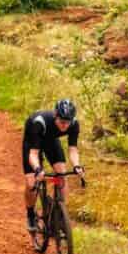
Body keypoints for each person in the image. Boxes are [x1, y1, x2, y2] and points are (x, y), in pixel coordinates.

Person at [23, 98, 84, 231]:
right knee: (31, 182)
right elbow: (33, 154)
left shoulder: (74, 124)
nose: (64, 126)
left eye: (67, 122)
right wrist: (38, 169)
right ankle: (30, 214)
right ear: (55, 116)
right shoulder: (38, 122)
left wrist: (77, 165)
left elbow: (73, 149)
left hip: (51, 141)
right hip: (33, 140)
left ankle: (61, 215)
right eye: (62, 122)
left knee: (62, 174)